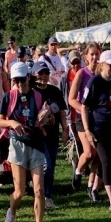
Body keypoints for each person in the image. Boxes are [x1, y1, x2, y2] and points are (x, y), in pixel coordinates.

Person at [0, 61, 54, 222]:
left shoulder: (37, 96)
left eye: (22, 80)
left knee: (39, 189)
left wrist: (48, 116)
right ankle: (12, 212)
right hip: (17, 144)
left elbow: (49, 120)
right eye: (16, 81)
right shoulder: (9, 96)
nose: (20, 84)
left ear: (28, 78)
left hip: (36, 143)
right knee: (20, 191)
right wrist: (12, 122)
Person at [81, 50, 111, 210]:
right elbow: (84, 107)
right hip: (99, 128)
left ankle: (94, 188)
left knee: (107, 159)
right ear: (102, 65)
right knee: (107, 161)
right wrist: (87, 130)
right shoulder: (94, 82)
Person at [31, 60, 69, 210]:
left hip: (52, 135)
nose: (44, 76)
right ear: (34, 74)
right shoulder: (31, 92)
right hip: (37, 136)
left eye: (46, 73)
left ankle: (46, 194)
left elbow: (61, 112)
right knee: (45, 165)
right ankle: (43, 195)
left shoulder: (55, 91)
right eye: (40, 73)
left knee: (51, 166)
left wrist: (65, 130)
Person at [69, 43, 102, 194]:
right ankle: (78, 172)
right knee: (89, 152)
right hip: (82, 118)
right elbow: (71, 99)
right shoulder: (82, 73)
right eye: (92, 54)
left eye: (97, 54)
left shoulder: (102, 73)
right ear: (86, 57)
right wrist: (84, 109)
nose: (95, 57)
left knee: (99, 153)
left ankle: (91, 186)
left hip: (99, 118)